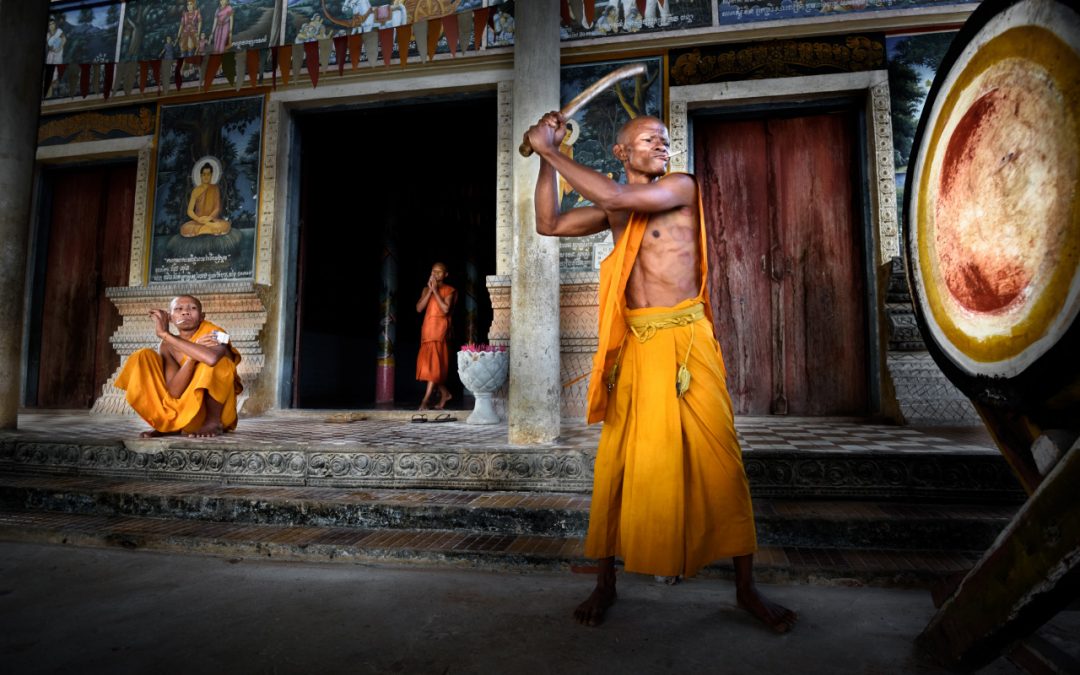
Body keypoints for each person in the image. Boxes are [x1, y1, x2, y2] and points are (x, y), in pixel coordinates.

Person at [524, 112, 798, 633]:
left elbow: (618, 198)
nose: (663, 147)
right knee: (620, 463)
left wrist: (551, 151)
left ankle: (746, 589)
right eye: (650, 140)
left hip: (687, 343)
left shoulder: (679, 186)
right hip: (638, 347)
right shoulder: (613, 209)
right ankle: (605, 583)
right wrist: (544, 159)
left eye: (666, 141)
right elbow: (550, 223)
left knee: (720, 458)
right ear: (621, 154)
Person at [115, 295, 242, 438]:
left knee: (220, 361)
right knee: (143, 355)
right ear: (170, 318)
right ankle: (170, 424)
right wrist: (191, 359)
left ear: (202, 316)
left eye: (192, 308)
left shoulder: (216, 333)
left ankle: (213, 422)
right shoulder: (168, 345)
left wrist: (165, 334)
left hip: (214, 415)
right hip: (184, 414)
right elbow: (174, 392)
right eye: (178, 309)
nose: (185, 312)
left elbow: (211, 359)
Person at [415, 262, 456, 410]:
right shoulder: (426, 290)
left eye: (439, 272)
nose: (436, 274)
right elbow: (419, 308)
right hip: (427, 331)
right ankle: (445, 393)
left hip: (440, 331)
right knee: (429, 367)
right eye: (434, 271)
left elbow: (445, 309)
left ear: (445, 275)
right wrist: (431, 291)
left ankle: (424, 401)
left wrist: (436, 292)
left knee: (434, 367)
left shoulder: (449, 290)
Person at [180, 162, 231, 237]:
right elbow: (190, 210)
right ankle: (208, 230)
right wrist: (198, 219)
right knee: (184, 228)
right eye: (204, 174)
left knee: (226, 225)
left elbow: (217, 208)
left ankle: (201, 230)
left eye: (208, 174)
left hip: (212, 220)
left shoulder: (215, 188)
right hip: (198, 221)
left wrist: (208, 218)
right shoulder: (196, 190)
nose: (206, 176)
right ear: (201, 176)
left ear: (211, 175)